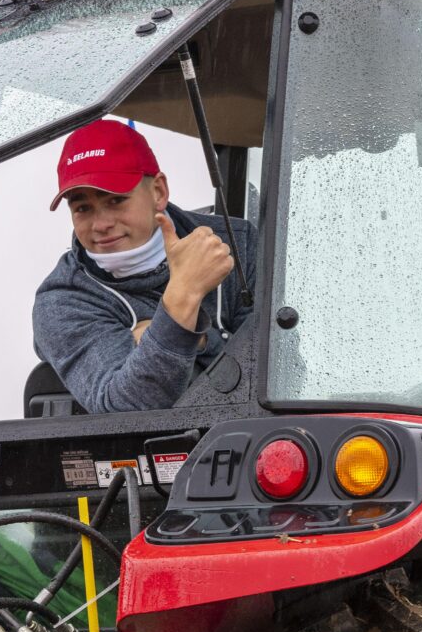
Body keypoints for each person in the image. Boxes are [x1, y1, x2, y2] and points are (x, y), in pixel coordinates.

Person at [33, 120, 256, 413]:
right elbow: (126, 410)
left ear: (159, 192)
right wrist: (183, 302)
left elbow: (275, 370)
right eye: (82, 208)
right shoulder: (62, 302)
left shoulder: (237, 243)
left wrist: (174, 338)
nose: (101, 224)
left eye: (116, 200)